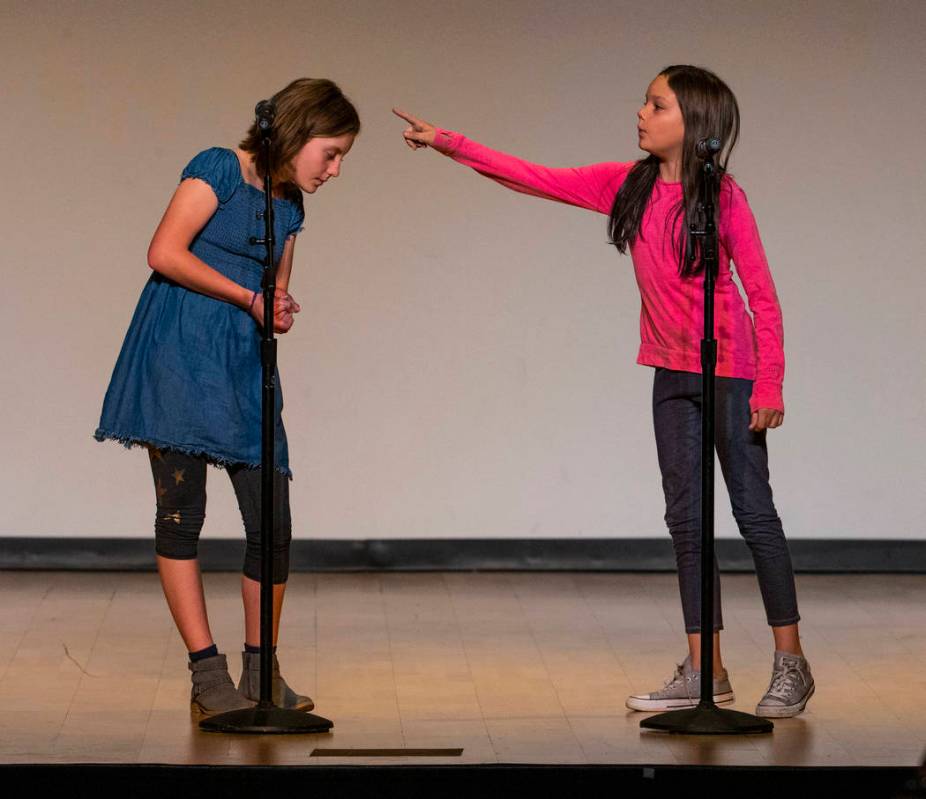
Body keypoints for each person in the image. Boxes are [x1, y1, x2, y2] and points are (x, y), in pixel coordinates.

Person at [393, 64, 813, 718]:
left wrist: (772, 380)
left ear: (693, 121)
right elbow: (532, 176)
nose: (641, 113)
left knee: (754, 511)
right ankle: (707, 668)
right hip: (671, 372)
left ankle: (791, 664)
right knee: (686, 518)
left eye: (657, 104)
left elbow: (762, 295)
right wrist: (450, 141)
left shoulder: (724, 198)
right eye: (645, 102)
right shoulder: (627, 186)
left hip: (731, 368)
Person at [95, 78, 359, 718]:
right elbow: (164, 252)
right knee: (181, 514)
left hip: (241, 365)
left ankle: (261, 669)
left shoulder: (291, 207)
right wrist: (247, 298)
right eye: (331, 152)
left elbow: (274, 289)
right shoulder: (218, 167)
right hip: (177, 355)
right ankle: (206, 672)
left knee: (272, 523)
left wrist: (278, 307)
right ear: (296, 134)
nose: (336, 169)